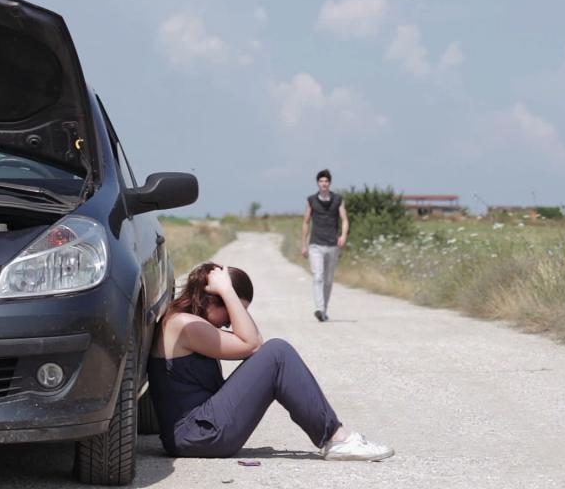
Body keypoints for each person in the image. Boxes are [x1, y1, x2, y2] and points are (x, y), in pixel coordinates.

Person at [147, 262, 393, 461]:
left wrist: (228, 296)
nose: (230, 321)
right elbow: (253, 345)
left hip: (196, 433)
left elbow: (254, 344)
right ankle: (336, 438)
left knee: (275, 352)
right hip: (198, 435)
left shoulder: (183, 321)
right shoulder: (185, 325)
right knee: (278, 352)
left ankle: (335, 436)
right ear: (212, 298)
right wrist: (228, 291)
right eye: (231, 310)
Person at [301, 168, 348, 322]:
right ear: (317, 183)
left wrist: (343, 235)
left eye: (326, 181)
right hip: (316, 244)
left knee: (328, 280)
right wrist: (304, 244)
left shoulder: (338, 199)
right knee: (318, 276)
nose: (324, 184)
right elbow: (306, 222)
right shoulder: (311, 200)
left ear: (330, 183)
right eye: (321, 181)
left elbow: (344, 219)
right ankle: (319, 308)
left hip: (333, 244)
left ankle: (324, 310)